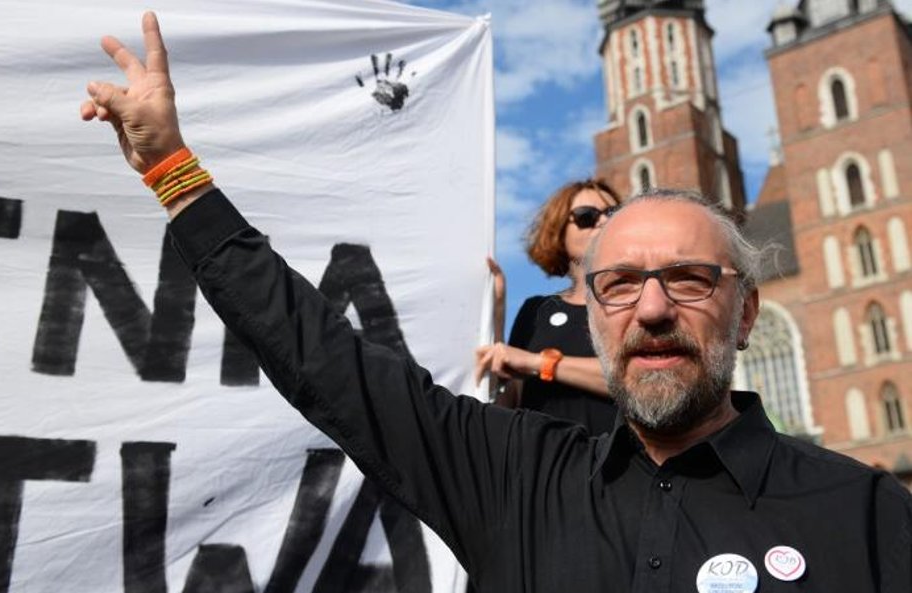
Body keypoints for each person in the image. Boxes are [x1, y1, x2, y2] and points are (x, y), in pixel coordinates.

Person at [82, 13, 911, 592]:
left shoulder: (867, 513)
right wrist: (172, 171)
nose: (652, 307)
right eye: (619, 283)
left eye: (689, 279)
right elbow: (322, 359)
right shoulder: (513, 474)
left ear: (746, 311)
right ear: (589, 311)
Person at [476, 179, 619, 435]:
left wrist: (541, 363)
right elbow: (508, 404)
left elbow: (641, 381)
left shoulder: (642, 301)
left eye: (614, 213)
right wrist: (497, 313)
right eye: (587, 216)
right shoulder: (536, 311)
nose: (604, 222)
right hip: (542, 468)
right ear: (558, 231)